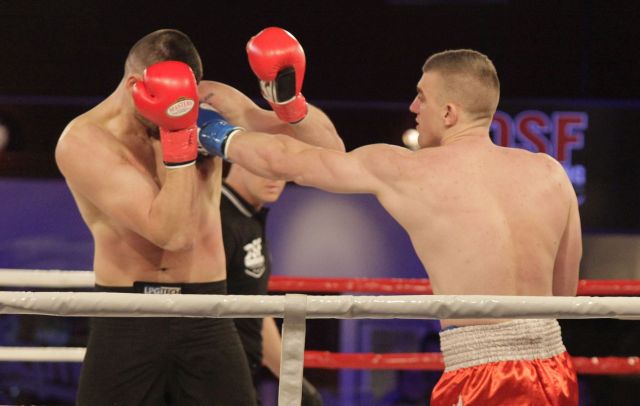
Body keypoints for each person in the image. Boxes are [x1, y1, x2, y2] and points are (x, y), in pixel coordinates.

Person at [198, 49, 582, 405]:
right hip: (554, 368)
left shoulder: (406, 170)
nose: (413, 106)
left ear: (449, 113)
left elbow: (289, 161)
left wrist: (208, 130)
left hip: (481, 376)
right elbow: (563, 296)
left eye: (422, 97)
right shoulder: (551, 172)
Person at [55, 27, 342, 406]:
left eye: (187, 98)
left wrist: (289, 104)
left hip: (206, 312)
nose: (180, 107)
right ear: (134, 85)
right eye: (171, 99)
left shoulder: (207, 102)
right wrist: (179, 137)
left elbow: (330, 153)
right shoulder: (85, 141)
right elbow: (170, 234)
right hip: (127, 315)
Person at [220, 161, 323, 405]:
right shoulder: (217, 216)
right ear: (238, 159)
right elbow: (198, 304)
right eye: (266, 166)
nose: (275, 178)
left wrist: (296, 382)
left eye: (282, 169)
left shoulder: (247, 218)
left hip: (239, 373)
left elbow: (256, 308)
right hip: (214, 373)